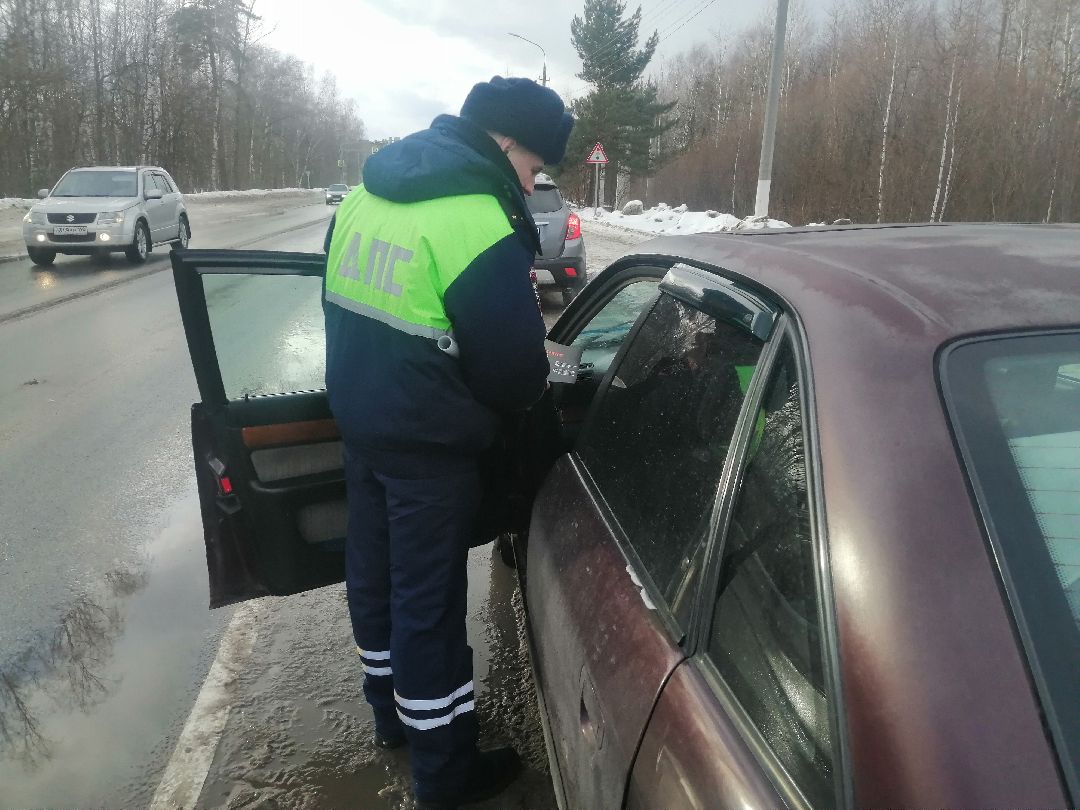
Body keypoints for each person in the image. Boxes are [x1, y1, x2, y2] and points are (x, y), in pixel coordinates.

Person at [322, 77, 573, 809]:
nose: (532, 186)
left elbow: (343, 304)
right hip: (431, 446)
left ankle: (388, 717)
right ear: (504, 143)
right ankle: (445, 774)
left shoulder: (370, 190)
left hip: (363, 423)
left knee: (372, 577)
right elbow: (511, 371)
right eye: (533, 170)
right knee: (427, 608)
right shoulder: (477, 219)